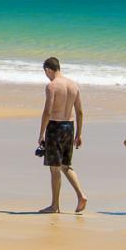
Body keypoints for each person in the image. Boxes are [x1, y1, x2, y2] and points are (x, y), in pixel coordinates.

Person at [37, 57, 87, 214]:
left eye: (46, 72)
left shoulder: (52, 86)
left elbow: (48, 111)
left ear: (48, 70)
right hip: (69, 127)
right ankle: (81, 195)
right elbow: (79, 112)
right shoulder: (73, 85)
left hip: (55, 127)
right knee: (66, 165)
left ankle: (55, 205)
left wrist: (41, 133)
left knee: (54, 169)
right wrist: (79, 134)